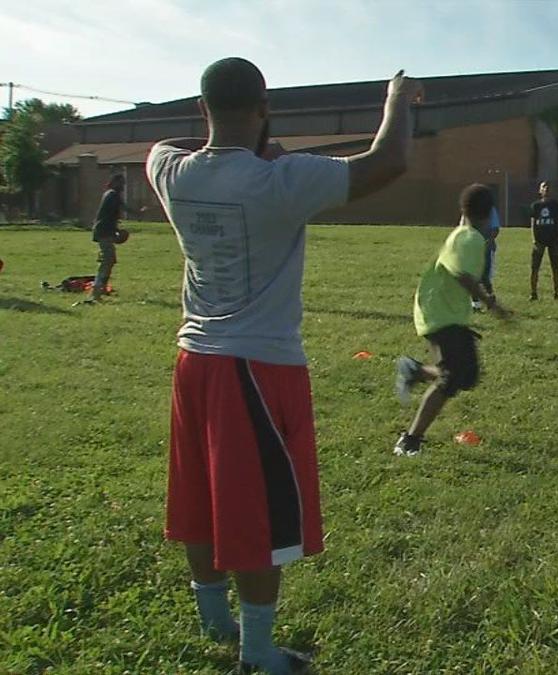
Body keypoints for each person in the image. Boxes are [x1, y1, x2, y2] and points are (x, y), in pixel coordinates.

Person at [146, 57, 419, 674]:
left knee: (199, 497)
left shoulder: (168, 168)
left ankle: (215, 619)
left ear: (201, 108)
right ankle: (259, 652)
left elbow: (184, 145)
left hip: (194, 361)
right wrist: (398, 97)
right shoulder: (282, 180)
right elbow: (388, 160)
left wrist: (242, 140)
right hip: (257, 369)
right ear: (265, 108)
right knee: (256, 513)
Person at [394, 184, 512, 456]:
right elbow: (462, 275)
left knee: (467, 376)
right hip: (439, 314)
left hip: (442, 312)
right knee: (451, 378)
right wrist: (492, 305)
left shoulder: (464, 234)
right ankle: (410, 439)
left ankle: (416, 371)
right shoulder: (470, 239)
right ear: (490, 213)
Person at [83, 174, 129, 304]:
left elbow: (110, 216)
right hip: (104, 232)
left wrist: (117, 231)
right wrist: (140, 212)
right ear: (114, 182)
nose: (123, 186)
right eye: (121, 183)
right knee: (107, 260)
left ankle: (101, 287)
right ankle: (96, 290)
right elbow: (122, 210)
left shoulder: (110, 194)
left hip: (104, 231)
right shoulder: (112, 195)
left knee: (109, 259)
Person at [529, 181, 558, 300]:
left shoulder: (556, 206)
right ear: (540, 190)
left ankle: (556, 293)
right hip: (539, 240)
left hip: (553, 240)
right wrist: (534, 240)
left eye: (548, 187)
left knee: (555, 268)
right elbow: (533, 224)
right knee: (535, 268)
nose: (546, 189)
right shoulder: (536, 206)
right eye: (543, 187)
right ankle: (533, 293)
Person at [473, 205, 501, 311]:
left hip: (486, 248)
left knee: (484, 276)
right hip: (472, 247)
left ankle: (490, 298)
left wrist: (488, 241)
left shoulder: (490, 209)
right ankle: (475, 303)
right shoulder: (468, 209)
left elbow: (495, 229)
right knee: (473, 275)